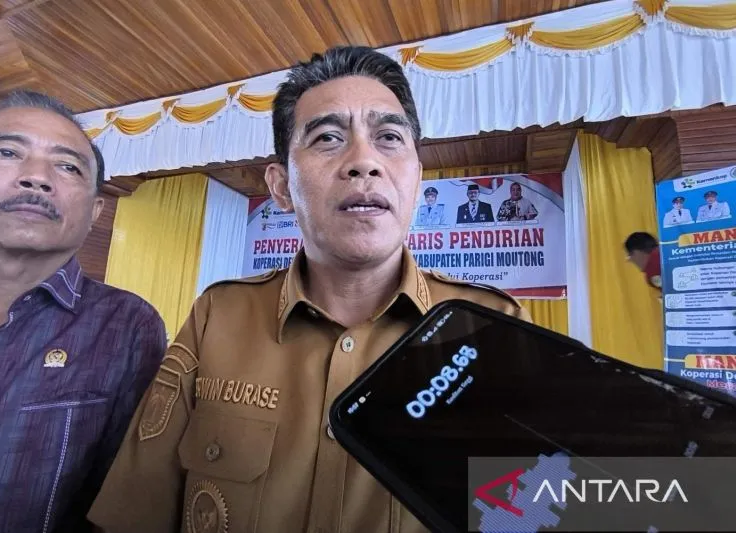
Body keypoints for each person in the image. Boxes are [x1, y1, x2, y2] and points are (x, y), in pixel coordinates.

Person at [88, 46, 531, 533]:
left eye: (388, 137)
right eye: (327, 138)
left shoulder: (494, 327)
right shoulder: (218, 315)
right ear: (281, 186)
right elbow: (134, 514)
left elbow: (544, 511)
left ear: (417, 178)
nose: (364, 161)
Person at [0, 91, 167, 533]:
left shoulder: (128, 326)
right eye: (7, 152)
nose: (37, 178)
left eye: (67, 167)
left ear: (95, 211)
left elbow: (128, 500)